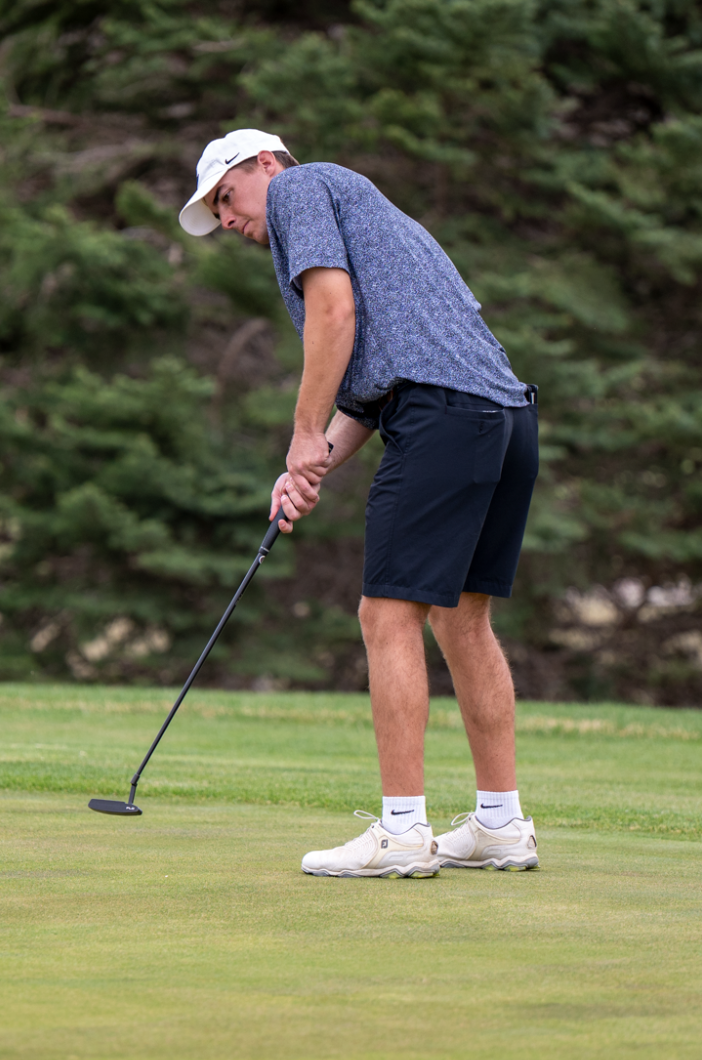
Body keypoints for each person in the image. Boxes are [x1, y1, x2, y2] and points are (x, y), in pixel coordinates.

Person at [178, 128, 541, 877]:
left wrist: (302, 433)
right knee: (462, 614)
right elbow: (378, 390)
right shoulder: (369, 216)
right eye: (217, 211)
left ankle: (404, 832)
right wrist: (312, 467)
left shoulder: (304, 190)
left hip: (445, 415)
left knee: (386, 613)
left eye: (227, 197)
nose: (227, 219)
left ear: (266, 165)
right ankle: (501, 824)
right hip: (503, 419)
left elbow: (335, 316)